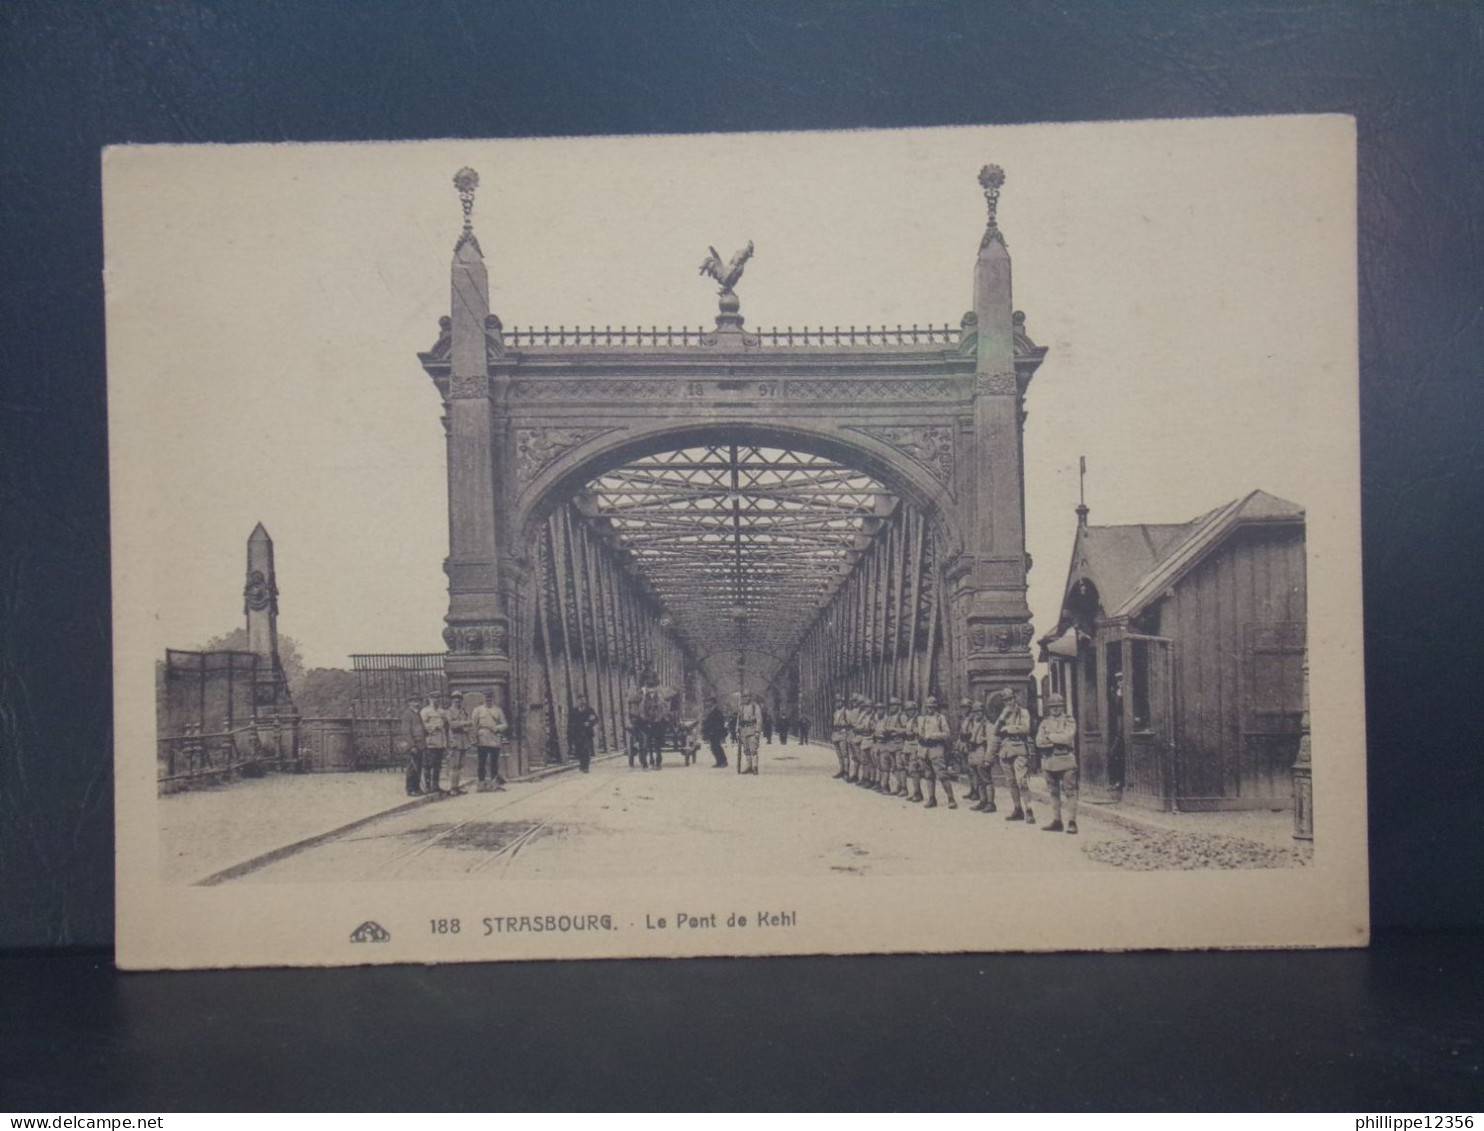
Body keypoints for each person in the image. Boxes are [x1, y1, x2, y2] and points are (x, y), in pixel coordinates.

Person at [1036, 693, 1079, 833]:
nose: (1055, 709)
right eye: (1052, 707)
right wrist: (1055, 738)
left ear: (1062, 707)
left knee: (1070, 792)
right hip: (1048, 761)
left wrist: (1049, 737)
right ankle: (1057, 821)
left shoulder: (1069, 720)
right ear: (1049, 708)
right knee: (1053, 792)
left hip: (1065, 760)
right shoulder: (1044, 722)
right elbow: (1038, 741)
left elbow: (1067, 738)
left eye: (1058, 706)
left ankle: (1072, 822)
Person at [995, 688, 1036, 825]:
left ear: (1015, 698)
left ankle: (1029, 810)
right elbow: (995, 731)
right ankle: (1017, 809)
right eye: (1006, 700)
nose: (1009, 702)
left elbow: (1026, 728)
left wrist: (1009, 729)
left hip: (1019, 749)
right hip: (1005, 750)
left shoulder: (1023, 712)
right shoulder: (1003, 714)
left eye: (1010, 699)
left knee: (1021, 781)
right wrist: (1002, 718)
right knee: (1011, 781)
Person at [918, 695, 957, 809]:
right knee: (928, 775)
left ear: (936, 707)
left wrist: (932, 736)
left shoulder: (940, 718)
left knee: (942, 775)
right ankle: (931, 798)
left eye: (933, 707)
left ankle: (951, 799)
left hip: (936, 748)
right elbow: (920, 732)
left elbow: (947, 734)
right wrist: (922, 736)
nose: (930, 709)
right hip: (925, 749)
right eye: (928, 706)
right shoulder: (923, 719)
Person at [471, 688, 508, 792]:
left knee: (494, 762)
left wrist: (498, 728)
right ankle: (481, 784)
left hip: (495, 738)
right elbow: (474, 725)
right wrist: (474, 738)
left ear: (493, 697)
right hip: (482, 738)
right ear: (483, 697)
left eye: (490, 696)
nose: (488, 698)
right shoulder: (478, 710)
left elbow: (505, 724)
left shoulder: (498, 710)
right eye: (486, 696)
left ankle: (494, 784)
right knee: (482, 762)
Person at [421, 694, 450, 794]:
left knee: (437, 765)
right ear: (429, 699)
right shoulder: (425, 711)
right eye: (434, 698)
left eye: (438, 698)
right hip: (430, 741)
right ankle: (427, 786)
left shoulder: (442, 711)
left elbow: (446, 724)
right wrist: (434, 727)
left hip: (440, 742)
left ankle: (435, 786)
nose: (436, 700)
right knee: (428, 765)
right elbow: (423, 725)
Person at [400, 695, 427, 796]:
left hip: (420, 744)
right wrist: (412, 746)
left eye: (418, 701)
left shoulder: (418, 714)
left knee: (418, 767)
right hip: (413, 745)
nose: (416, 703)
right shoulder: (407, 715)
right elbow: (406, 732)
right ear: (409, 703)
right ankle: (410, 789)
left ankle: (417, 788)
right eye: (414, 701)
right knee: (412, 768)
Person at [445, 690, 472, 794]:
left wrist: (465, 725)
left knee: (460, 765)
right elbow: (452, 725)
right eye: (455, 699)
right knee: (454, 765)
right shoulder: (449, 712)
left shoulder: (464, 712)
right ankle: (452, 788)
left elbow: (469, 725)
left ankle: (457, 786)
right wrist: (465, 723)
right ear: (452, 700)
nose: (457, 701)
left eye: (459, 699)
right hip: (454, 740)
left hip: (463, 741)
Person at [567, 694, 599, 773]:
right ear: (578, 701)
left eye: (584, 700)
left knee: (586, 749)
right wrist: (571, 732)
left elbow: (596, 719)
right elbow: (570, 721)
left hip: (587, 733)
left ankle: (586, 767)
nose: (582, 701)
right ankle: (582, 765)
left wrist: (590, 723)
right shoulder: (574, 710)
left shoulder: (590, 710)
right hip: (577, 733)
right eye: (581, 700)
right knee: (579, 749)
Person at [901, 700, 924, 802]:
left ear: (915, 710)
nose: (909, 712)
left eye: (911, 710)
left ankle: (918, 793)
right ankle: (916, 791)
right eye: (908, 710)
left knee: (913, 770)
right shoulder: (909, 720)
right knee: (910, 770)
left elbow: (921, 732)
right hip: (908, 745)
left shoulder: (919, 719)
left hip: (916, 745)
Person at [738, 692, 763, 774]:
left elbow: (759, 720)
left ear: (750, 697)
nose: (745, 698)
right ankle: (749, 766)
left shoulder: (755, 707)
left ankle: (755, 767)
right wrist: (737, 730)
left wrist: (757, 731)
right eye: (744, 697)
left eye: (747, 696)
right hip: (744, 730)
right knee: (746, 750)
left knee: (753, 749)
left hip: (752, 729)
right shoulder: (741, 707)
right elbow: (738, 720)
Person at [702, 698, 729, 767]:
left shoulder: (717, 711)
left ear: (714, 703)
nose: (709, 704)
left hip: (716, 731)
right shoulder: (712, 711)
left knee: (716, 746)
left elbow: (718, 721)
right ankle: (719, 761)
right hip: (712, 731)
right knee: (714, 747)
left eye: (710, 703)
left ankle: (723, 761)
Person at [829, 697, 849, 779]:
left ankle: (846, 772)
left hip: (842, 733)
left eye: (839, 701)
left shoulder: (846, 712)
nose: (837, 703)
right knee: (839, 754)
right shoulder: (835, 712)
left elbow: (850, 723)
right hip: (835, 733)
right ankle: (842, 770)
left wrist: (843, 724)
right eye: (836, 702)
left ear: (842, 702)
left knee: (844, 754)